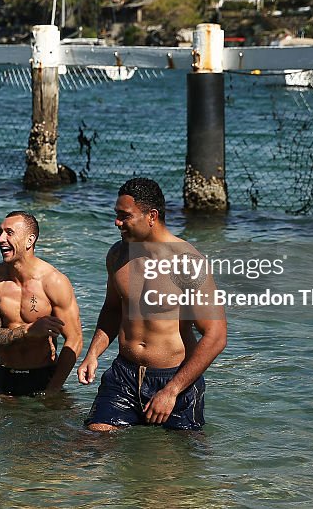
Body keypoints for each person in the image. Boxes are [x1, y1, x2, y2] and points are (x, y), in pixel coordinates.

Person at [77, 178, 227, 430]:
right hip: (124, 375)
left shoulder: (188, 262)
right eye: (116, 215)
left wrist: (172, 390)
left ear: (151, 216)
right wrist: (93, 353)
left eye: (125, 216)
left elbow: (216, 335)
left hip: (175, 380)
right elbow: (113, 309)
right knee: (93, 443)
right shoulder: (118, 255)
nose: (117, 223)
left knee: (172, 465)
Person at [0, 210, 83, 396]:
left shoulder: (53, 281)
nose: (1, 239)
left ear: (30, 240)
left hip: (44, 376)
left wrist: (54, 389)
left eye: (9, 233)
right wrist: (28, 331)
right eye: (0, 232)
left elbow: (74, 339)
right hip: (4, 376)